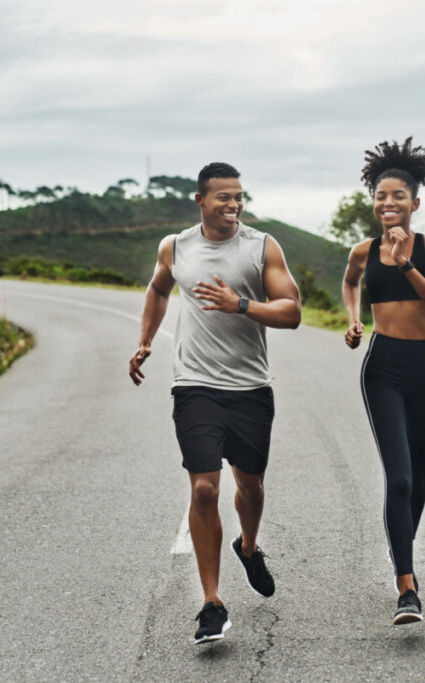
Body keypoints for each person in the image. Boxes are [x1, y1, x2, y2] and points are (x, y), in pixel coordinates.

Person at [129, 162, 302, 644]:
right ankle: (211, 602)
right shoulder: (175, 246)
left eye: (239, 197)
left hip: (249, 389)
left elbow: (292, 312)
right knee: (204, 489)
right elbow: (158, 289)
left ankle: (248, 546)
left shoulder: (261, 246)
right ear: (201, 201)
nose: (234, 205)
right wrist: (145, 341)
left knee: (250, 486)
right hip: (195, 386)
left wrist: (241, 305)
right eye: (223, 197)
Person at [341, 138, 425, 625]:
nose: (388, 203)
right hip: (382, 366)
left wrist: (407, 264)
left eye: (398, 197)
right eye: (381, 196)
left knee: (420, 483)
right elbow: (350, 283)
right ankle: (407, 586)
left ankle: (399, 552)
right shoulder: (362, 251)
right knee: (400, 477)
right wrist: (353, 318)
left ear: (415, 203)